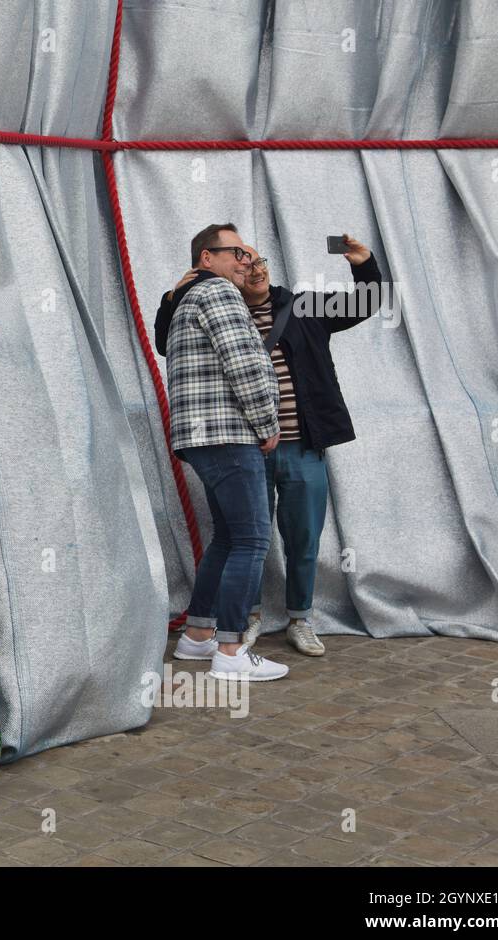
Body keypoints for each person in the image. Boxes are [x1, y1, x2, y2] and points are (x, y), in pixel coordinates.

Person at [154, 235, 381, 656]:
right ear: (234, 272)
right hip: (245, 444)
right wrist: (172, 297)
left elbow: (365, 304)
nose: (255, 269)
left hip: (299, 445)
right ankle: (249, 618)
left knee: (302, 537)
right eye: (246, 262)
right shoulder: (220, 305)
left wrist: (363, 263)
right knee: (247, 537)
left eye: (261, 262)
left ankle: (300, 618)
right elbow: (167, 343)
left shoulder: (302, 307)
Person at [163, 223, 288, 681]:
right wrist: (267, 423)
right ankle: (232, 653)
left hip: (203, 437)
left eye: (247, 254)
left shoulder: (190, 298)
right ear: (206, 259)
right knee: (253, 539)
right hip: (228, 435)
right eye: (234, 251)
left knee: (229, 538)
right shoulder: (217, 292)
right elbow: (245, 362)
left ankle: (198, 638)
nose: (245, 261)